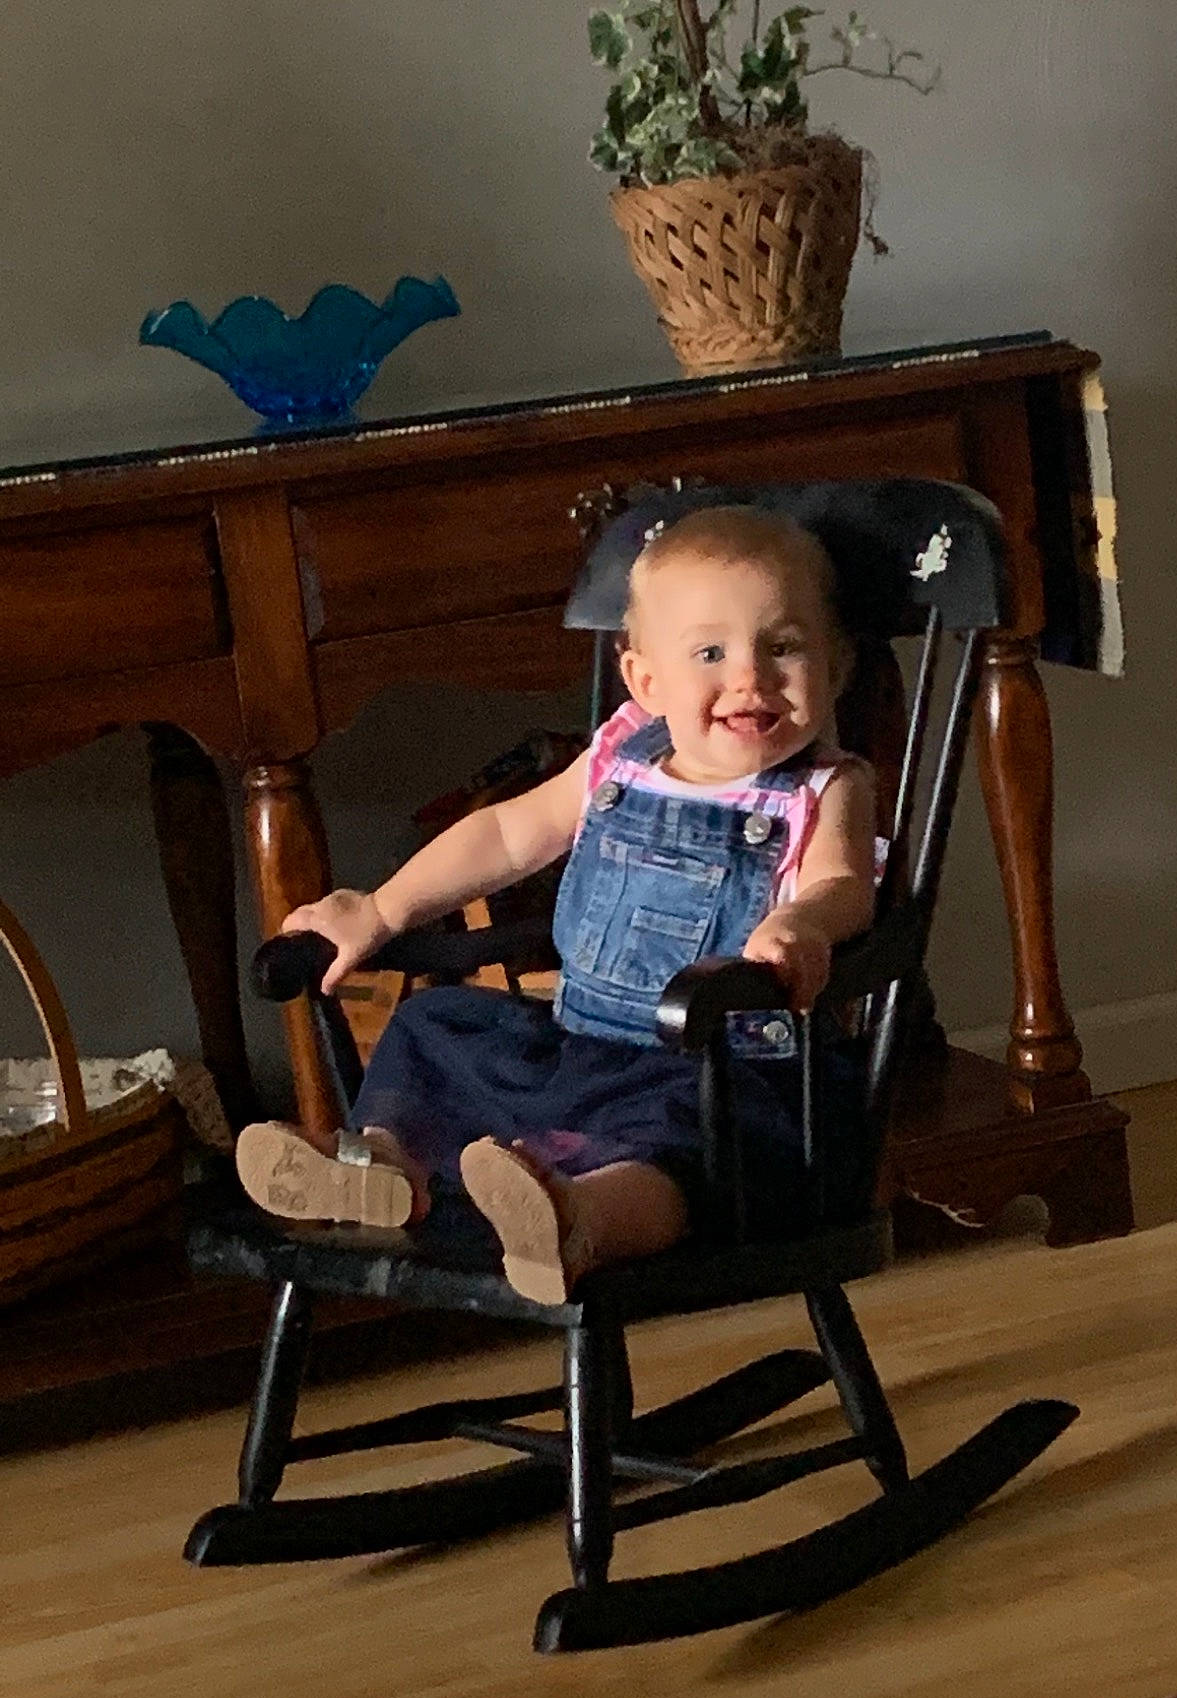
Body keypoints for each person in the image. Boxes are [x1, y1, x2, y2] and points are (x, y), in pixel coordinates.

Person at [234, 505, 879, 1303]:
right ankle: (381, 1167)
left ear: (836, 667)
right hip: (580, 1048)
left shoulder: (821, 788)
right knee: (438, 1026)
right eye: (710, 652)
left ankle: (578, 1218)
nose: (748, 677)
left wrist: (800, 925)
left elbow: (842, 883)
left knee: (684, 1150)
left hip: (722, 1071)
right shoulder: (620, 756)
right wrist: (382, 908)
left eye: (783, 648)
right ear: (645, 681)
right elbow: (507, 835)